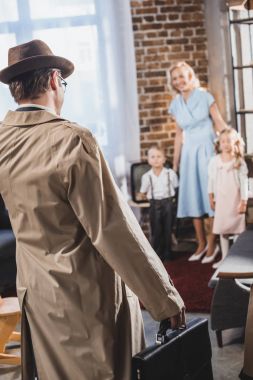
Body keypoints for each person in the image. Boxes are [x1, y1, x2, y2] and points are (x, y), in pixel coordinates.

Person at [0, 39, 185, 380]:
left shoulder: (3, 140)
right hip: (86, 298)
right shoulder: (72, 139)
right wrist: (165, 298)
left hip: (36, 295)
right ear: (55, 80)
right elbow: (114, 229)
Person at [168, 61, 227, 263]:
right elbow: (178, 135)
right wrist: (175, 164)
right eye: (175, 78)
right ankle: (200, 244)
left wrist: (230, 137)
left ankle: (212, 244)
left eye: (182, 76)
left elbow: (218, 122)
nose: (179, 81)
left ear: (190, 76)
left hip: (207, 150)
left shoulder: (205, 96)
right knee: (192, 197)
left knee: (209, 198)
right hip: (189, 154)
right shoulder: (175, 104)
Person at [208, 127, 248, 268]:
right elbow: (211, 180)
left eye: (228, 141)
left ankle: (235, 257)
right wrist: (210, 196)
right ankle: (225, 257)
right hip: (222, 200)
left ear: (234, 142)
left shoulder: (239, 162)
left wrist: (244, 201)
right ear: (219, 143)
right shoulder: (215, 161)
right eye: (223, 141)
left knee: (236, 228)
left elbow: (244, 184)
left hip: (235, 200)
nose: (225, 144)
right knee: (223, 229)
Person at [139, 145, 178, 261]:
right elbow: (142, 192)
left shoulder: (170, 174)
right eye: (153, 157)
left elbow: (176, 187)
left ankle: (168, 253)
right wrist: (144, 196)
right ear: (148, 160)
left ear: (164, 159)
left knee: (168, 229)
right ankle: (157, 255)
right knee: (156, 230)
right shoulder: (146, 177)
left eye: (159, 156)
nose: (156, 159)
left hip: (168, 203)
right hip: (154, 205)